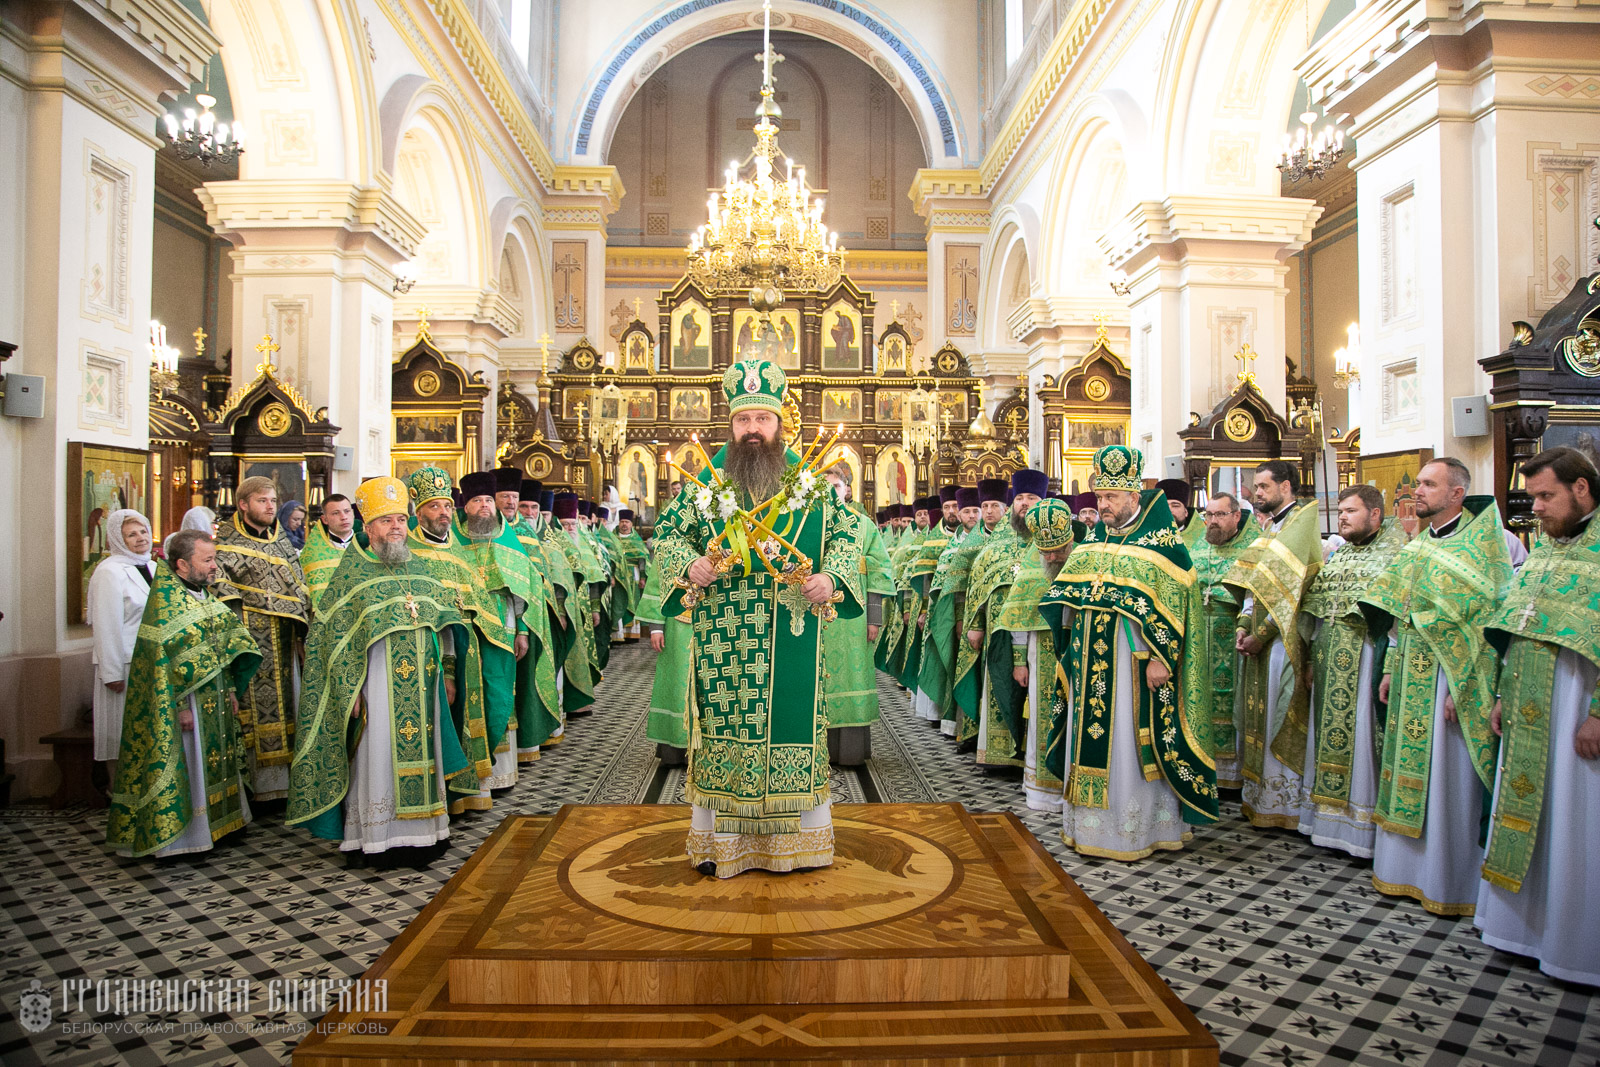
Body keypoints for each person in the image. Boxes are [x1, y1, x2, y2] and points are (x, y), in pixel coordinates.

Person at [654, 357, 863, 877]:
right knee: (726, 731)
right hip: (726, 635)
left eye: (762, 420)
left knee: (791, 725)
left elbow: (847, 535)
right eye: (744, 419)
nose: (753, 430)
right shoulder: (704, 483)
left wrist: (832, 578)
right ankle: (724, 845)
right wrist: (690, 563)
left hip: (792, 628)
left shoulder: (809, 483)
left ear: (778, 424)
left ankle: (797, 848)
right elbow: (667, 536)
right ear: (731, 423)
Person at [288, 476, 488, 863]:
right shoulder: (351, 577)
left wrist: (448, 674)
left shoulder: (423, 569)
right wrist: (352, 691)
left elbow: (447, 629)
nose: (396, 527)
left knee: (426, 757)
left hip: (425, 689)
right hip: (375, 690)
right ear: (368, 528)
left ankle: (427, 833)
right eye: (386, 521)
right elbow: (330, 644)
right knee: (377, 759)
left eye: (400, 519)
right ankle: (377, 838)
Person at [1041, 446, 1218, 859]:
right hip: (1089, 667)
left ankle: (1137, 831)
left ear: (1135, 497)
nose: (1103, 505)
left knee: (1130, 747)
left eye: (1112, 498)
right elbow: (1066, 599)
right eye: (1099, 497)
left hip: (1134, 669)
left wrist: (1161, 658)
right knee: (1093, 741)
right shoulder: (1089, 546)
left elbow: (1179, 610)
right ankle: (1089, 828)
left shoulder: (1162, 548)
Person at [1359, 458, 1511, 914]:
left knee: (1447, 781)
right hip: (1410, 677)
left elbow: (1488, 628)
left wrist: (1463, 688)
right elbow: (1400, 618)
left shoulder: (1485, 548)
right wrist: (1389, 670)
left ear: (1457, 493)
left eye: (1429, 484)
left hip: (1453, 683)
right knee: (1406, 773)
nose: (1416, 492)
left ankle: (1449, 883)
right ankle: (1402, 872)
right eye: (1418, 483)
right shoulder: (1416, 547)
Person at [1478, 447, 1600, 984]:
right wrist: (1503, 693)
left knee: (1577, 820)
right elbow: (1519, 627)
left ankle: (1575, 943)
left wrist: (1599, 714)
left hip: (1579, 704)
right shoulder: (1546, 548)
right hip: (1529, 706)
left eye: (1546, 496)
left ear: (1581, 489)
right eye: (1532, 497)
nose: (1537, 509)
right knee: (1537, 814)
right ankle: (1523, 929)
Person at [106, 530, 260, 858]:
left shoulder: (204, 596)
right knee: (192, 765)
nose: (214, 566)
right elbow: (161, 666)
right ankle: (188, 838)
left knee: (221, 761)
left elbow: (222, 650)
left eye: (213, 558)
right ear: (181, 565)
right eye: (207, 560)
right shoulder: (165, 603)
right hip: (187, 703)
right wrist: (177, 706)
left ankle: (225, 824)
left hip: (217, 697)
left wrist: (231, 689)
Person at [1297, 485, 1407, 857]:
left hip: (1364, 660)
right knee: (1323, 735)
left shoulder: (1394, 556)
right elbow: (1315, 612)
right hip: (1329, 660)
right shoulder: (1340, 557)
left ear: (1375, 515)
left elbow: (1395, 621)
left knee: (1361, 738)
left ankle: (1359, 829)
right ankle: (1325, 822)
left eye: (1351, 511)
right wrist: (1310, 659)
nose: (1342, 517)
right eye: (1340, 511)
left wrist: (1389, 666)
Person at [1225, 459, 1321, 828]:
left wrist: (1260, 636)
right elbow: (1253, 587)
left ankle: (1284, 804)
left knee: (1278, 712)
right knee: (1258, 716)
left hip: (1283, 639)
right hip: (1257, 638)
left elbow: (1292, 596)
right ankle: (1260, 799)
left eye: (1263, 487)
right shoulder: (1271, 529)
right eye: (1255, 487)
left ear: (1286, 487)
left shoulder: (1301, 525)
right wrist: (1242, 624)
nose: (1256, 493)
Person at [213, 476, 310, 802]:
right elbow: (220, 589)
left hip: (283, 643)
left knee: (289, 709)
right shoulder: (224, 543)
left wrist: (301, 631)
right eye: (262, 501)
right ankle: (254, 789)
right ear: (243, 505)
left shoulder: (283, 543)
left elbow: (298, 587)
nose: (269, 507)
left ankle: (285, 786)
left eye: (272, 501)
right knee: (250, 714)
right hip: (248, 642)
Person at [455, 471, 542, 787]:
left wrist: (522, 630)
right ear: (465, 506)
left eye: (488, 500)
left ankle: (498, 774)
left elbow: (522, 590)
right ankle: (467, 771)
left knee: (498, 695)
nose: (484, 507)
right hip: (464, 632)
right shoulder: (453, 540)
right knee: (466, 699)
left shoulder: (507, 538)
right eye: (477, 501)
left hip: (502, 628)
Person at [961, 469, 1048, 770]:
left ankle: (1033, 760)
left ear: (1043, 501)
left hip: (1040, 632)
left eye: (1032, 498)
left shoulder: (1053, 542)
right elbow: (977, 584)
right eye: (1020, 498)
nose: (1025, 504)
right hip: (999, 631)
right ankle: (1000, 757)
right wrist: (974, 625)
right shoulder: (997, 543)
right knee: (1001, 688)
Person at [998, 498, 1077, 810]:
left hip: (1076, 652)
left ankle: (1073, 787)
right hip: (1040, 653)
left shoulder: (1083, 561)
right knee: (1041, 718)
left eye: (1059, 550)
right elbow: (1018, 618)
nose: (1053, 557)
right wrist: (1019, 662)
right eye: (1047, 552)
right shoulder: (1032, 568)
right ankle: (1041, 791)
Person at [820, 460, 895, 755]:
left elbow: (878, 571)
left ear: (847, 491)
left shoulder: (863, 525)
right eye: (823, 488)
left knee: (851, 674)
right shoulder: (807, 526)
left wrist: (873, 618)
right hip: (815, 616)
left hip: (854, 616)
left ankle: (849, 750)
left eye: (835, 487)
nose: (830, 492)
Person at [1188, 493, 1259, 789]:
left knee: (1231, 699)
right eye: (1209, 515)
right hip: (1197, 631)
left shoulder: (1252, 547)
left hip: (1232, 633)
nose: (1212, 521)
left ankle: (1232, 775)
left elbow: (1254, 594)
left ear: (1236, 516)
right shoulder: (1197, 546)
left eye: (1219, 515)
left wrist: (1244, 624)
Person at [89, 510, 157, 777]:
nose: (141, 538)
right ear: (118, 539)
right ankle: (119, 793)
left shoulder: (151, 566)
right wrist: (112, 672)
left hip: (151, 661)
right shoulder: (109, 571)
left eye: (143, 531)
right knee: (121, 731)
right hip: (123, 664)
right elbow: (106, 625)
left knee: (148, 733)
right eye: (131, 534)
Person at [910, 486, 964, 727]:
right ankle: (935, 711)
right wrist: (922, 609)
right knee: (937, 658)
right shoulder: (934, 538)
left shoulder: (970, 536)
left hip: (963, 610)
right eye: (947, 507)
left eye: (955, 506)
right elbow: (923, 577)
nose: (952, 511)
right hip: (936, 609)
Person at [300, 494, 356, 609]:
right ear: (324, 519)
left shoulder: (369, 546)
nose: (344, 517)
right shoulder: (313, 553)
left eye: (347, 511)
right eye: (336, 513)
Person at [1157, 479, 1201, 547]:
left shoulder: (1199, 539)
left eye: (1175, 506)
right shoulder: (1147, 538)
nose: (1169, 510)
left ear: (1186, 512)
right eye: (1164, 505)